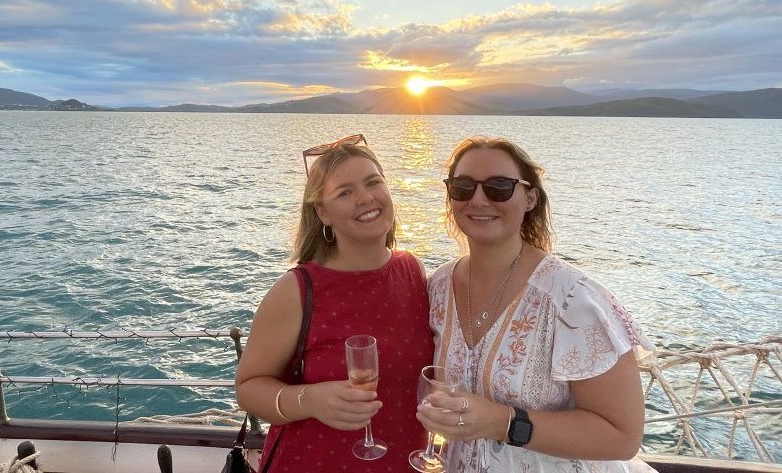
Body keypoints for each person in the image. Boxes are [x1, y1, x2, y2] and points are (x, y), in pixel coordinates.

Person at [417, 136, 655, 472]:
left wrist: (502, 422)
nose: (479, 199)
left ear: (530, 197)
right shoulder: (438, 287)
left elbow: (622, 436)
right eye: (463, 186)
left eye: (499, 186)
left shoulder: (572, 300)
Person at [236, 134, 434, 472]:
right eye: (346, 192)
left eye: (374, 182)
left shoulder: (412, 270)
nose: (366, 197)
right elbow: (248, 388)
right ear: (323, 212)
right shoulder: (297, 289)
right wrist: (309, 400)